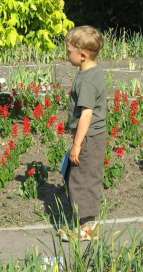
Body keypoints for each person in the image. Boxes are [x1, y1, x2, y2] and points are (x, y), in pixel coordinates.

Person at [59, 25, 106, 242]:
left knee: (82, 179)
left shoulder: (87, 80)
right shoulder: (91, 72)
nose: (67, 54)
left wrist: (77, 145)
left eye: (69, 51)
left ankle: (88, 228)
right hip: (90, 136)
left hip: (87, 137)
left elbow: (86, 114)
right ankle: (84, 223)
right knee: (82, 176)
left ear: (83, 55)